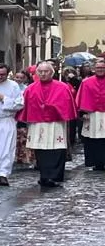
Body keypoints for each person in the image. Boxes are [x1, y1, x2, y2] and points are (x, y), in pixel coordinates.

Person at [18, 60, 77, 189]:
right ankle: (44, 176)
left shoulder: (62, 87)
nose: (43, 74)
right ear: (37, 73)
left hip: (56, 123)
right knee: (41, 150)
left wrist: (52, 107)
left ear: (52, 73)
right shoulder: (31, 88)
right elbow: (25, 105)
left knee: (56, 150)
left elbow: (66, 104)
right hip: (38, 123)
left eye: (46, 71)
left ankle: (54, 176)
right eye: (40, 71)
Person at [80, 60, 105, 171]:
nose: (100, 70)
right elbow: (81, 98)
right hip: (92, 115)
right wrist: (83, 113)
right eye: (98, 68)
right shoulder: (86, 82)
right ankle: (96, 162)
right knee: (92, 139)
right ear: (94, 69)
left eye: (102, 68)